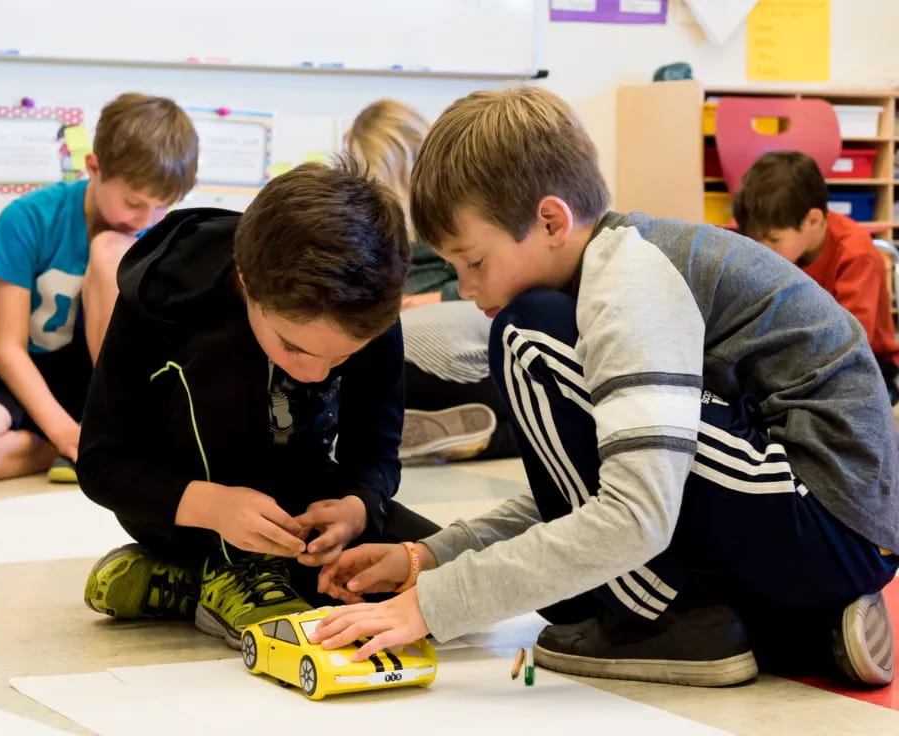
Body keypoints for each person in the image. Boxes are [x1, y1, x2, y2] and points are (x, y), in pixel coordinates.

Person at [311, 87, 899, 689]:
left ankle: (670, 623)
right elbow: (601, 482)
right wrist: (432, 556)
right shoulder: (614, 264)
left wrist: (429, 605)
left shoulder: (626, 284)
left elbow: (634, 514)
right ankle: (793, 629)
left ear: (550, 221)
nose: (464, 289)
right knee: (569, 572)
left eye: (474, 262)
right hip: (832, 531)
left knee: (524, 335)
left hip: (825, 513)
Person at [77, 160, 439, 649]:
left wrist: (357, 505)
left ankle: (186, 585)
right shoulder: (168, 293)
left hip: (297, 509)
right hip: (185, 505)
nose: (316, 373)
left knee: (436, 577)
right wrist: (213, 506)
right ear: (246, 281)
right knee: (220, 348)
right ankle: (227, 567)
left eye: (343, 358)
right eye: (293, 347)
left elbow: (376, 446)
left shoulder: (365, 302)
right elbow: (101, 463)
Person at [0, 93, 198, 483]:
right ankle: (80, 448)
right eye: (133, 202)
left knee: (110, 249)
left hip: (115, 388)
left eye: (163, 205)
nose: (146, 218)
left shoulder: (164, 235)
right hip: (33, 381)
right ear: (93, 167)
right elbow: (8, 349)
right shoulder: (29, 217)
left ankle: (102, 438)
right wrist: (61, 432)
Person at [343, 98, 517, 461]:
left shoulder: (451, 207)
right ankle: (464, 433)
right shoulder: (375, 221)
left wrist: (430, 300)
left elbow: (483, 277)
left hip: (461, 316)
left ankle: (492, 436)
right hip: (415, 323)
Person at [734, 150, 899, 404]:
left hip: (865, 362)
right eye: (755, 239)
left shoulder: (856, 254)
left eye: (772, 239)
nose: (761, 249)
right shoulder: (786, 248)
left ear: (813, 220)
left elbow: (851, 342)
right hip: (803, 353)